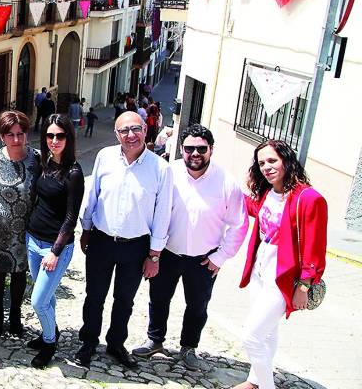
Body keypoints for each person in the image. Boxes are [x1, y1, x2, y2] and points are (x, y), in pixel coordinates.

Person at [132, 124, 248, 370]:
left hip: (204, 259)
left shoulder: (227, 182)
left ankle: (188, 348)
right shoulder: (168, 173)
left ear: (211, 150)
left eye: (201, 149)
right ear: (181, 149)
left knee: (197, 306)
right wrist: (152, 251)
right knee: (159, 299)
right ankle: (154, 340)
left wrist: (221, 256)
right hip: (168, 253)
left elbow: (239, 224)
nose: (195, 154)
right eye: (189, 148)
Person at [75, 111, 173, 369]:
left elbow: (163, 213)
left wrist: (154, 255)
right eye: (124, 131)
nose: (131, 135)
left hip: (136, 246)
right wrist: (85, 230)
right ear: (117, 134)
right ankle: (88, 341)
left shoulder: (161, 168)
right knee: (94, 295)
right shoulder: (104, 157)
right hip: (101, 240)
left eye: (136, 129)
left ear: (145, 130)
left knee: (124, 300)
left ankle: (116, 343)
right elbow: (92, 195)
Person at [232, 140, 328, 389]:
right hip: (259, 269)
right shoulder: (268, 192)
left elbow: (315, 248)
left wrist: (304, 286)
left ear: (286, 160)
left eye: (272, 160)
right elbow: (257, 210)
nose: (266, 167)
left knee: (251, 336)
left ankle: (266, 386)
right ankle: (254, 380)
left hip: (283, 275)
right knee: (269, 331)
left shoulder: (309, 198)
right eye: (262, 163)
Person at [25, 114, 84, 368]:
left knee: (38, 300)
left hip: (54, 248)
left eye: (60, 135)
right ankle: (51, 331)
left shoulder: (73, 173)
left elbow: (71, 218)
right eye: (50, 135)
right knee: (46, 297)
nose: (55, 140)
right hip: (33, 241)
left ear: (69, 138)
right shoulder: (44, 162)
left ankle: (49, 343)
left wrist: (55, 251)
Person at [0, 111, 40, 338]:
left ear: (26, 134)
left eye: (20, 134)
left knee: (20, 274)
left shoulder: (37, 159)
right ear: (2, 136)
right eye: (10, 134)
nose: (16, 139)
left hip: (25, 230)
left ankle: (15, 315)